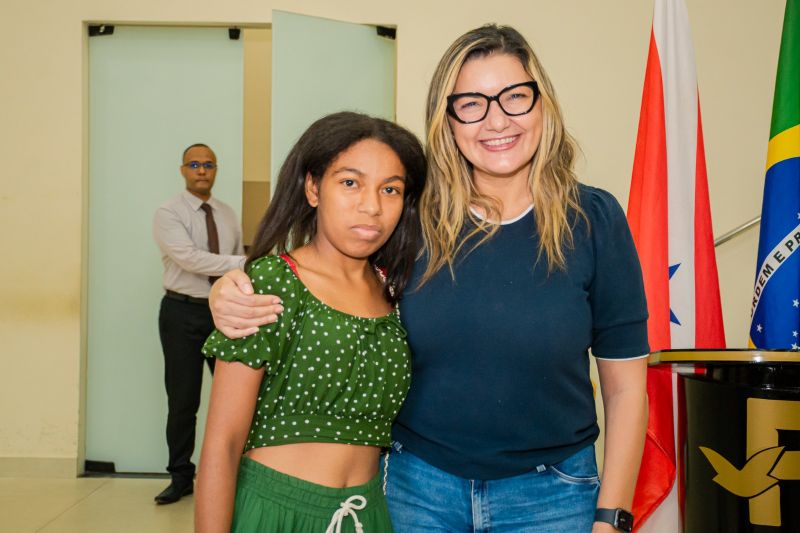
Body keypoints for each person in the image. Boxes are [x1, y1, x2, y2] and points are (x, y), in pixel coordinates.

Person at [209, 25, 649, 533]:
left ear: (542, 102)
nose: (497, 120)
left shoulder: (593, 220)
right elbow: (326, 273)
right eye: (472, 104)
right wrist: (228, 289)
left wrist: (611, 517)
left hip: (553, 494)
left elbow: (625, 389)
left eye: (514, 97)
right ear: (448, 119)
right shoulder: (410, 218)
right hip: (416, 490)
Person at [194, 111, 427, 532]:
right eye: (350, 183)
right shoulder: (273, 282)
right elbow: (222, 444)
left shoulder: (396, 292)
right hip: (275, 513)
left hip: (366, 515)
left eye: (390, 189)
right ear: (313, 188)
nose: (371, 206)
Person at [152, 143, 246, 504]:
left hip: (222, 311)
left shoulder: (227, 213)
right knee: (183, 400)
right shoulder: (169, 213)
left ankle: (235, 475)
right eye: (194, 165)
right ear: (183, 170)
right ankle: (180, 477)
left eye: (208, 165)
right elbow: (191, 259)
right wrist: (244, 261)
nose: (202, 170)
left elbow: (231, 264)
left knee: (235, 399)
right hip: (181, 313)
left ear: (216, 170)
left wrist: (240, 264)